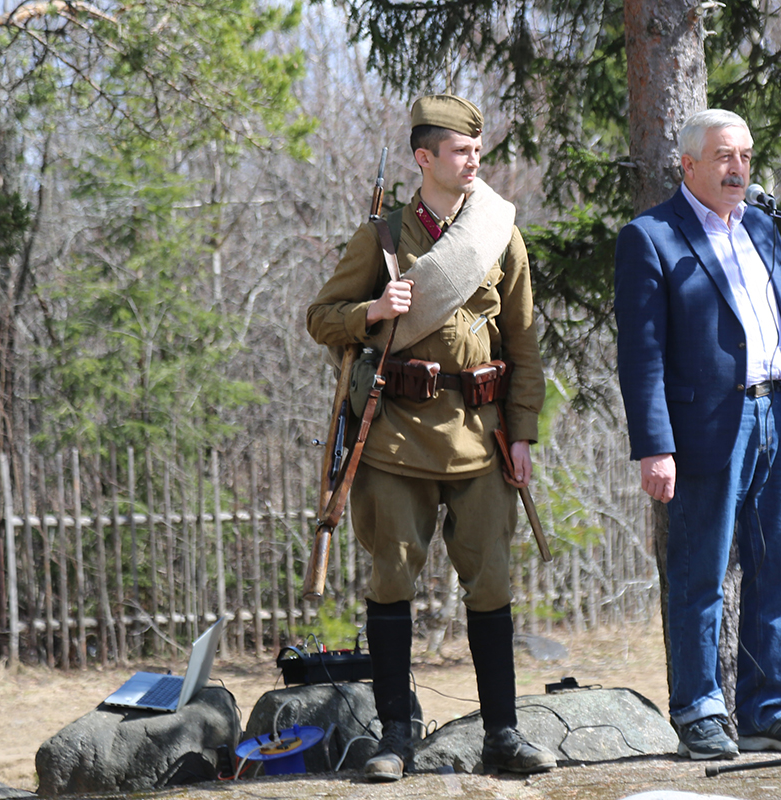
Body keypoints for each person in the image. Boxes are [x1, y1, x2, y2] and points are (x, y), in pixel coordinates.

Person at [305, 94, 554, 782]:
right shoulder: (383, 236)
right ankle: (393, 737)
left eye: (478, 151)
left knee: (493, 584)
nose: (474, 161)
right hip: (395, 440)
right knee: (392, 578)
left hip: (482, 436)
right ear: (425, 158)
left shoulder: (500, 232)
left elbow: (525, 345)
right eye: (461, 151)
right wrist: (373, 310)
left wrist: (523, 431)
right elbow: (321, 318)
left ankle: (502, 734)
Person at [613, 108, 781, 760]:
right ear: (688, 165)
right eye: (722, 156)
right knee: (699, 572)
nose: (737, 167)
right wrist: (655, 445)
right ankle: (699, 711)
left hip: (775, 415)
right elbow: (642, 356)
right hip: (704, 428)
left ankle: (768, 709)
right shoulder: (651, 237)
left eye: (744, 155)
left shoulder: (765, 231)